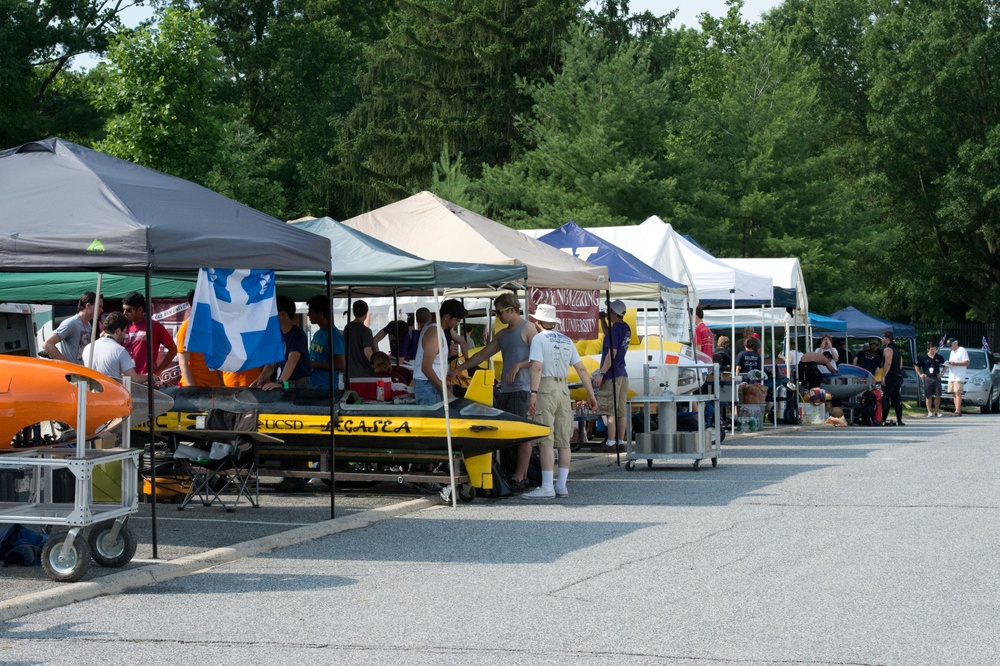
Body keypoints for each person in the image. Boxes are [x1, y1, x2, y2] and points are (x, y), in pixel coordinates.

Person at [449, 292, 538, 492]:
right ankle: (514, 473)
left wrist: (518, 366)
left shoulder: (528, 328)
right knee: (508, 433)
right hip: (506, 389)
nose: (497, 317)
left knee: (522, 434)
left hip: (521, 388)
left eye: (499, 313)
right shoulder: (504, 335)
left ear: (511, 310)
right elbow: (483, 354)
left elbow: (540, 358)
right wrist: (459, 368)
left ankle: (520, 476)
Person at [522, 304, 598, 499]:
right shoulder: (566, 340)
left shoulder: (539, 339)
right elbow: (581, 368)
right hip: (563, 389)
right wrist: (590, 393)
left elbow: (537, 367)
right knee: (564, 439)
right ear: (554, 322)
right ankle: (561, 485)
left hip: (546, 388)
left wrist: (533, 393)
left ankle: (547, 486)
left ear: (537, 322)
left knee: (546, 438)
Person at [413, 299, 468, 405]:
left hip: (431, 384)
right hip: (428, 385)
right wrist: (445, 391)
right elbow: (426, 368)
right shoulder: (435, 333)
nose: (457, 324)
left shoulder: (435, 329)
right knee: (433, 421)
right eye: (456, 320)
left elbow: (433, 360)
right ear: (446, 317)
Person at [252, 295, 312, 390]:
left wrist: (280, 382)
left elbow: (293, 360)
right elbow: (272, 363)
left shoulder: (297, 334)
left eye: (273, 313)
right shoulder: (277, 335)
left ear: (282, 314)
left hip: (298, 384)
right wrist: (261, 378)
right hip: (287, 383)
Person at [593, 300, 630, 452]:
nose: (606, 312)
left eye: (608, 311)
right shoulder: (624, 327)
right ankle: (620, 441)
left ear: (614, 313)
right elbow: (609, 335)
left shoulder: (616, 329)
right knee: (621, 411)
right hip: (622, 373)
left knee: (610, 411)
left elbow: (612, 352)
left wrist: (601, 373)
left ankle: (610, 442)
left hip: (612, 374)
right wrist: (602, 319)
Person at [121, 291, 177, 382]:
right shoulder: (121, 327)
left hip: (146, 380)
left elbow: (173, 349)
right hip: (125, 379)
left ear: (139, 309)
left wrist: (158, 371)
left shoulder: (154, 326)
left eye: (129, 310)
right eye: (123, 309)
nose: (124, 313)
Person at [83, 312, 147, 385]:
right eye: (124, 332)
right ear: (118, 331)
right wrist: (149, 377)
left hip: (91, 393)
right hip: (111, 393)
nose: (124, 336)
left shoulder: (88, 347)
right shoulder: (120, 350)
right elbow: (134, 379)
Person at [176, 290, 223, 387]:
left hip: (214, 388)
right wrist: (193, 389)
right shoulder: (186, 328)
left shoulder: (213, 326)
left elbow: (216, 360)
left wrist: (222, 384)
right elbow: (183, 363)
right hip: (195, 389)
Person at [42, 291, 101, 365]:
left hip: (82, 372)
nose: (102, 310)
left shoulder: (88, 324)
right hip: (71, 374)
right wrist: (68, 365)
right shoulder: (71, 323)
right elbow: (47, 344)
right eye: (99, 307)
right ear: (88, 305)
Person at [305, 295, 345, 391]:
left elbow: (340, 365)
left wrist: (314, 364)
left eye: (311, 311)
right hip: (314, 386)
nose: (308, 315)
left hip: (326, 389)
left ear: (320, 313)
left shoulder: (333, 336)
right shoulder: (318, 333)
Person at [344, 300, 375, 380]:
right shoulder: (366, 331)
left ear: (354, 313)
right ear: (366, 313)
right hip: (364, 374)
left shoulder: (347, 327)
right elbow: (367, 351)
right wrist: (376, 365)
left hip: (349, 373)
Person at [879, 330, 904, 426]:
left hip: (890, 376)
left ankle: (883, 419)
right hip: (898, 376)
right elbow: (901, 364)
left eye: (883, 338)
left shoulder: (888, 349)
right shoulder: (897, 350)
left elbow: (888, 362)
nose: (882, 340)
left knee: (886, 398)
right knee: (897, 399)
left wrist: (883, 376)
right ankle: (900, 420)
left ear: (886, 338)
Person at [915, 342, 945, 418]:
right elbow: (916, 366)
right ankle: (929, 411)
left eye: (935, 349)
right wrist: (920, 374)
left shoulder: (939, 357)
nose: (933, 351)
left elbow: (945, 364)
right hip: (928, 377)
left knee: (938, 395)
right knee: (928, 395)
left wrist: (942, 373)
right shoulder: (923, 357)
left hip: (936, 377)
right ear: (928, 349)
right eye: (932, 349)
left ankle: (936, 411)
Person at [944, 338, 970, 416]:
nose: (950, 347)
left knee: (958, 392)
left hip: (959, 375)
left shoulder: (962, 350)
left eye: (951, 345)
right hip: (952, 375)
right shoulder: (952, 352)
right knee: (953, 393)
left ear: (955, 343)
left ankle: (958, 411)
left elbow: (967, 362)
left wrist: (956, 363)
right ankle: (956, 409)